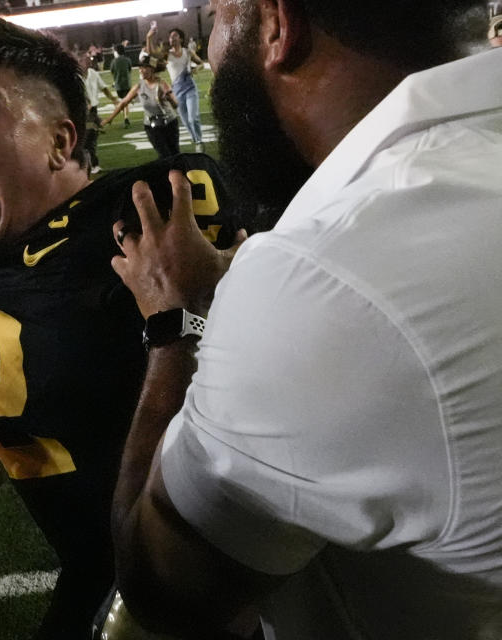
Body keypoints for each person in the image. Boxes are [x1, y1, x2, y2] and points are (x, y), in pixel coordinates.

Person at [109, 1, 502, 639]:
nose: (212, 48)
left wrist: (174, 321)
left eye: (219, 17)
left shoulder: (329, 277)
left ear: (277, 26)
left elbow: (161, 590)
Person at [0, 16, 242, 640]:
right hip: (99, 569)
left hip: (229, 575)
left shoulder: (150, 208)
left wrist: (184, 317)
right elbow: (28, 434)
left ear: (61, 141)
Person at [103, 57, 179, 159]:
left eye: (143, 68)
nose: (140, 70)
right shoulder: (139, 86)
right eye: (140, 68)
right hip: (151, 125)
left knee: (175, 154)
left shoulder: (162, 84)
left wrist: (169, 98)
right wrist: (109, 118)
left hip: (169, 123)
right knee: (164, 155)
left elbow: (176, 105)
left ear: (151, 69)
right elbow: (123, 103)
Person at [148, 26, 206, 152]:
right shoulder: (167, 55)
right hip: (177, 91)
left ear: (181, 38)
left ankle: (199, 142)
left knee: (193, 117)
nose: (172, 38)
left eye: (175, 36)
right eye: (170, 37)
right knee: (185, 121)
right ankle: (196, 139)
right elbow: (152, 55)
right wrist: (149, 37)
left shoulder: (187, 52)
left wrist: (196, 69)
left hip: (190, 88)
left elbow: (201, 64)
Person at [80, 53, 118, 174]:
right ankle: (88, 165)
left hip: (92, 112)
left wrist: (113, 99)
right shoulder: (74, 76)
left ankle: (92, 165)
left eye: (89, 60)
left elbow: (104, 88)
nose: (88, 62)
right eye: (85, 60)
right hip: (80, 111)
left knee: (90, 137)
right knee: (86, 139)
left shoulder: (93, 73)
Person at [109, 43, 133, 128]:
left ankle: (117, 116)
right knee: (125, 102)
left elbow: (112, 72)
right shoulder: (127, 60)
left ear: (116, 51)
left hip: (118, 85)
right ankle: (126, 118)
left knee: (122, 102)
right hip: (127, 84)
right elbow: (130, 70)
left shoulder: (113, 61)